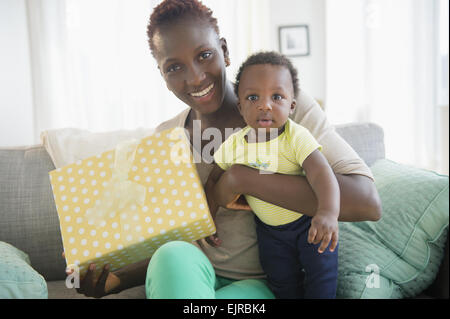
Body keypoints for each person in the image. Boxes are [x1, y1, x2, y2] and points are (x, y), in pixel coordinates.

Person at [68, 0, 381, 299]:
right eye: (174, 67)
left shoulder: (284, 107)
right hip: (191, 271)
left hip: (262, 283)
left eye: (204, 55)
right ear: (163, 77)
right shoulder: (167, 138)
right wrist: (116, 280)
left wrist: (243, 180)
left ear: (225, 51)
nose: (195, 77)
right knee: (172, 254)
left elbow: (366, 202)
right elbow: (173, 245)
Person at [206, 51, 340, 298]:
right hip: (269, 232)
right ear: (241, 106)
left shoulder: (295, 136)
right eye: (253, 97)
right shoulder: (234, 145)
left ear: (291, 106)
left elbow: (322, 173)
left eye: (276, 97)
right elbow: (213, 180)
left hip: (309, 224)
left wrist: (328, 213)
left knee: (322, 281)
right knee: (281, 283)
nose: (265, 105)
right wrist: (209, 218)